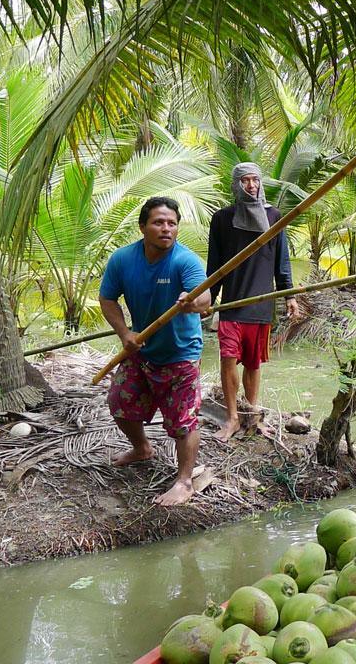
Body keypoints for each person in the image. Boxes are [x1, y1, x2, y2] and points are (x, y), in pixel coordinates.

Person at [98, 196, 211, 506]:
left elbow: (206, 301)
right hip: (142, 351)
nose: (166, 229)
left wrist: (192, 300)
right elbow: (107, 298)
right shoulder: (122, 260)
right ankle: (142, 448)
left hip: (181, 354)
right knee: (120, 401)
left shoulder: (184, 261)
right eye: (159, 222)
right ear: (143, 227)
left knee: (183, 422)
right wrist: (125, 333)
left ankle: (184, 481)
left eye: (172, 223)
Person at [207, 161, 300, 441]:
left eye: (255, 180)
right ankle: (233, 418)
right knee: (227, 359)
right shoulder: (222, 219)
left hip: (261, 303)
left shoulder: (274, 217)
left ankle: (252, 415)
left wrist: (289, 295)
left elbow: (281, 262)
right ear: (237, 185)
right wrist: (208, 298)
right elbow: (215, 264)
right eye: (245, 180)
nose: (251, 185)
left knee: (253, 363)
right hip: (232, 304)